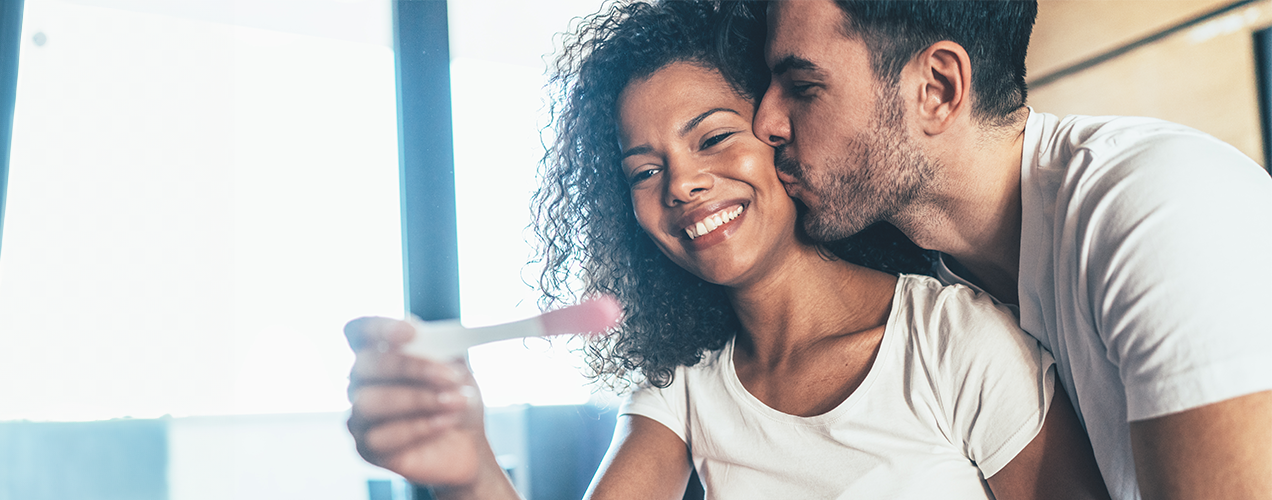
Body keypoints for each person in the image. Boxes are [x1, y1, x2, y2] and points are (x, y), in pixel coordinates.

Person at [345, 2, 1110, 498]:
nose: (682, 184)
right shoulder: (684, 385)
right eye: (644, 171)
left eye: (713, 137)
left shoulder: (955, 344)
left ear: (781, 133)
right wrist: (469, 473)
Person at [749, 1, 1272, 499]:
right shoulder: (919, 290)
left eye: (802, 86)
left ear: (937, 88)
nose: (764, 122)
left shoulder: (1161, 209)